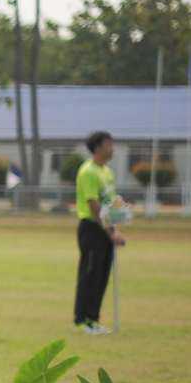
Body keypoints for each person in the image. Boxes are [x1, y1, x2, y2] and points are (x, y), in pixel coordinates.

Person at [74, 130, 124, 334]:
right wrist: (110, 231)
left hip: (106, 227)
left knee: (102, 276)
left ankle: (93, 319)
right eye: (108, 145)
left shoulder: (107, 172)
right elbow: (93, 205)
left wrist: (119, 219)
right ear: (97, 148)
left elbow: (110, 201)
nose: (112, 149)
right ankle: (82, 320)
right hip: (92, 227)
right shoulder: (89, 171)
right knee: (90, 275)